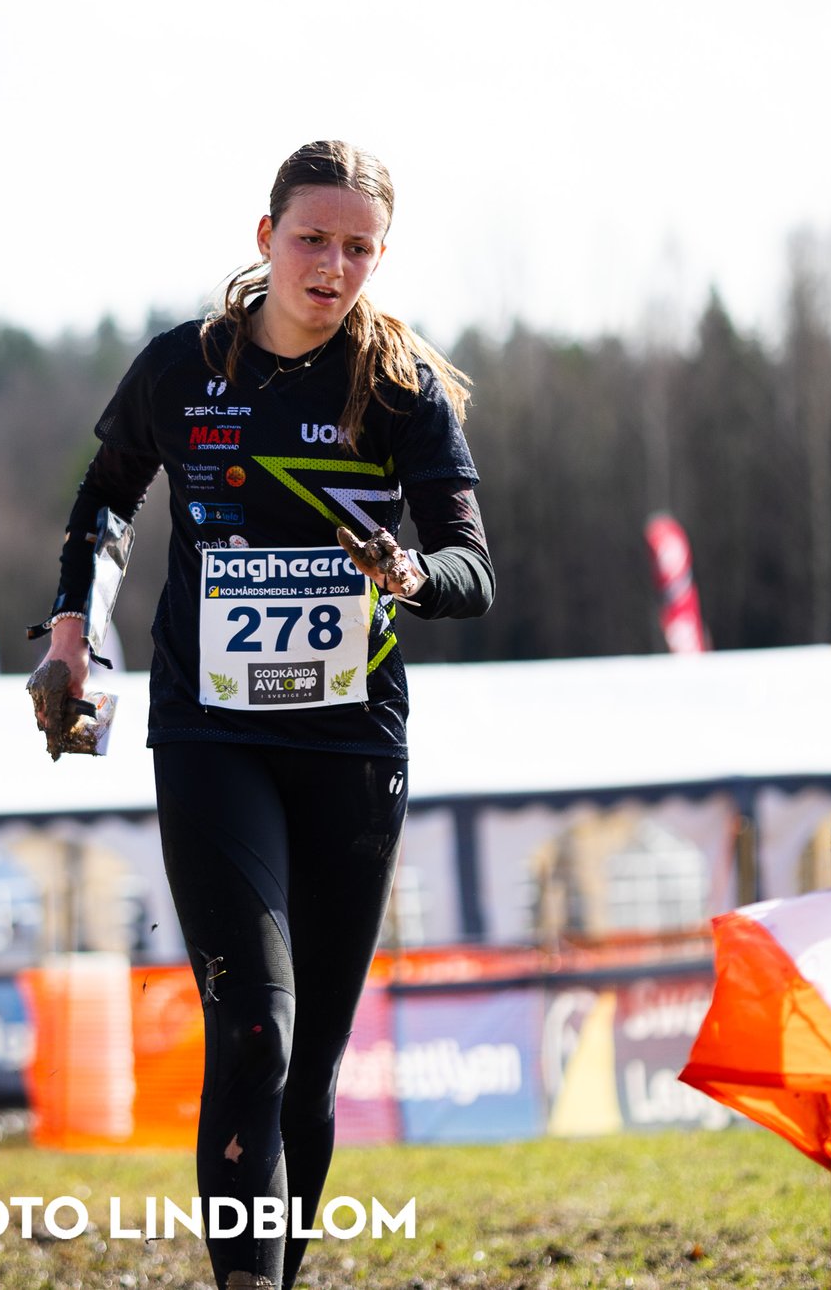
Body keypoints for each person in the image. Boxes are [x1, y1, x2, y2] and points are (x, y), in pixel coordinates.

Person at [26, 140, 495, 1290]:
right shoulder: (182, 370)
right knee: (254, 1030)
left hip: (349, 742)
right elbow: (104, 501)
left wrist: (410, 574)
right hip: (212, 730)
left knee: (312, 1074)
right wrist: (72, 626)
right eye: (311, 240)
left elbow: (473, 568)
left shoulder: (398, 390)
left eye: (357, 249)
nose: (332, 269)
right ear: (264, 239)